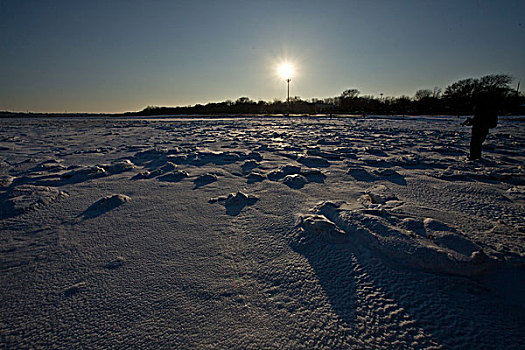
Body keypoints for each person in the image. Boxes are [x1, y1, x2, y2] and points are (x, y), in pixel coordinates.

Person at [461, 91, 499, 160]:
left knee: (475, 144)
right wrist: (471, 122)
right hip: (482, 129)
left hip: (480, 129)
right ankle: (476, 158)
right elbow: (478, 119)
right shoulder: (485, 106)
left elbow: (479, 119)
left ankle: (475, 158)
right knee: (477, 144)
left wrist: (472, 122)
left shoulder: (482, 107)